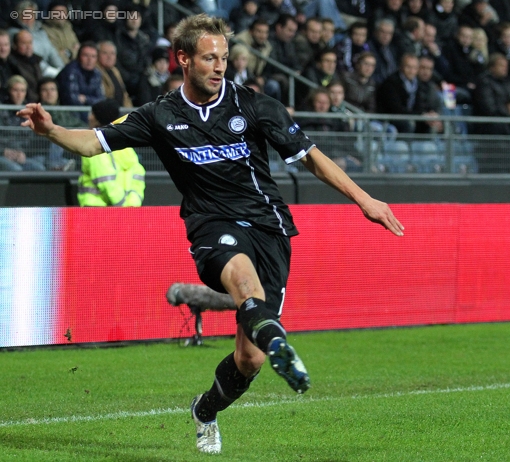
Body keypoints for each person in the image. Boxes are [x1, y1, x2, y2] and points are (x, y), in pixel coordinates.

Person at [18, 14, 404, 455]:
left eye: (223, 57)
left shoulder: (254, 106)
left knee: (249, 359)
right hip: (211, 224)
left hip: (269, 227)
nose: (220, 66)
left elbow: (312, 157)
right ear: (183, 58)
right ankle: (281, 345)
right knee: (244, 284)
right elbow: (92, 141)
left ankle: (205, 408)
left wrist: (364, 200)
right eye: (209, 58)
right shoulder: (159, 114)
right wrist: (51, 131)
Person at [77, 99, 145, 206]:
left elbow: (104, 179)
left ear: (100, 119)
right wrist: (131, 205)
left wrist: (123, 206)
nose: (89, 117)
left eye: (93, 114)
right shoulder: (126, 145)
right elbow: (138, 177)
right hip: (125, 210)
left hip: (96, 212)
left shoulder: (93, 145)